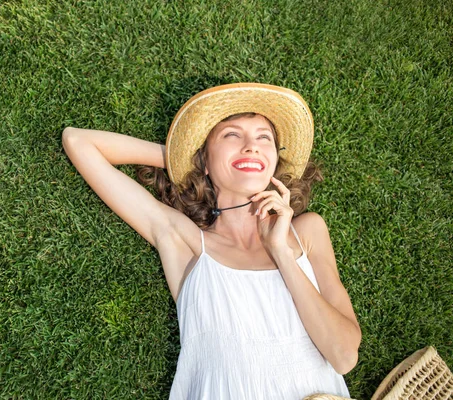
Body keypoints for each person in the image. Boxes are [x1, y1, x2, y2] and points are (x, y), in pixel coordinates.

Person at [62, 83, 361, 399]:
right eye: (232, 135)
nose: (251, 146)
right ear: (204, 159)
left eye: (264, 138)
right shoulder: (186, 242)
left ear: (275, 159)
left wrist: (281, 253)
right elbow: (78, 141)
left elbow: (343, 357)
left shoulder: (307, 233)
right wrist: (187, 159)